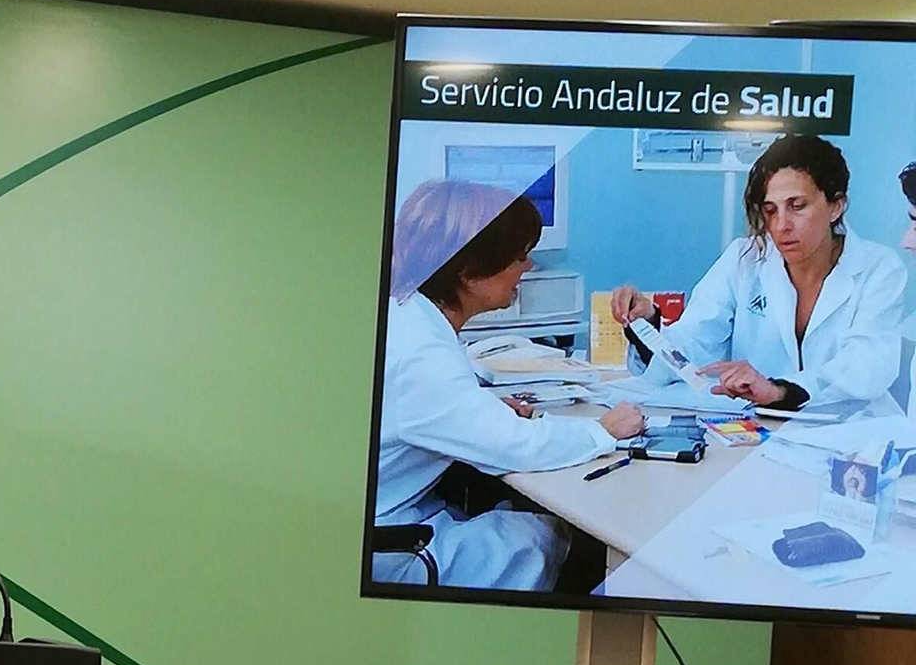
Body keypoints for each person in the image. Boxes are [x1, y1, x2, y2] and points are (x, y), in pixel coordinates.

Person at [374, 180, 646, 590]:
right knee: (550, 537)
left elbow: (434, 409)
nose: (529, 267)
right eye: (520, 257)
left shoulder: (406, 314)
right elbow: (516, 445)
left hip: (391, 518)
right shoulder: (422, 354)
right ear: (468, 272)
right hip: (392, 549)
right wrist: (602, 430)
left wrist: (482, 405)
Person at [611, 136, 906, 415]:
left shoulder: (878, 268)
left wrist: (780, 391)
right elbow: (694, 347)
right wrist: (646, 326)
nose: (781, 225)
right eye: (770, 210)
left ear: (836, 206)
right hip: (757, 429)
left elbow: (867, 366)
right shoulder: (745, 259)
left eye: (797, 206)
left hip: (849, 435)